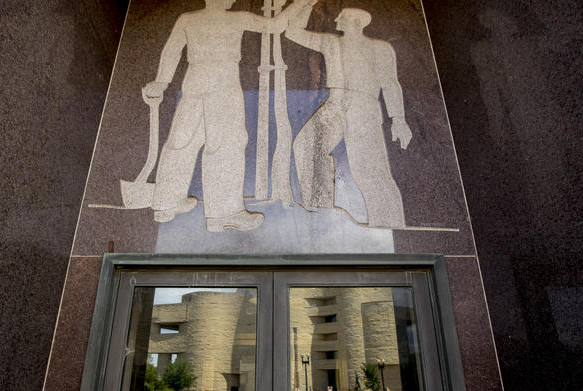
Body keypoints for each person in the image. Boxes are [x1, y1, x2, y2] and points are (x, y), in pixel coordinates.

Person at [142, 0, 311, 232]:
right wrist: (301, 3)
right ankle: (224, 213)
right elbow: (276, 25)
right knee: (226, 145)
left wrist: (161, 82)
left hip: (193, 83)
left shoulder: (188, 19)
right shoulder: (236, 18)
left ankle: (165, 203)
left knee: (182, 142)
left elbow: (172, 50)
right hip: (223, 84)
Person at [286, 6, 413, 228]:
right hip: (335, 103)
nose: (336, 19)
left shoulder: (379, 48)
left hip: (363, 105)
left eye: (342, 17)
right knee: (307, 144)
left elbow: (391, 84)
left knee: (368, 167)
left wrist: (398, 118)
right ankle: (321, 207)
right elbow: (292, 32)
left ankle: (388, 222)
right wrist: (305, 4)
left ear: (357, 21)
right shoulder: (331, 43)